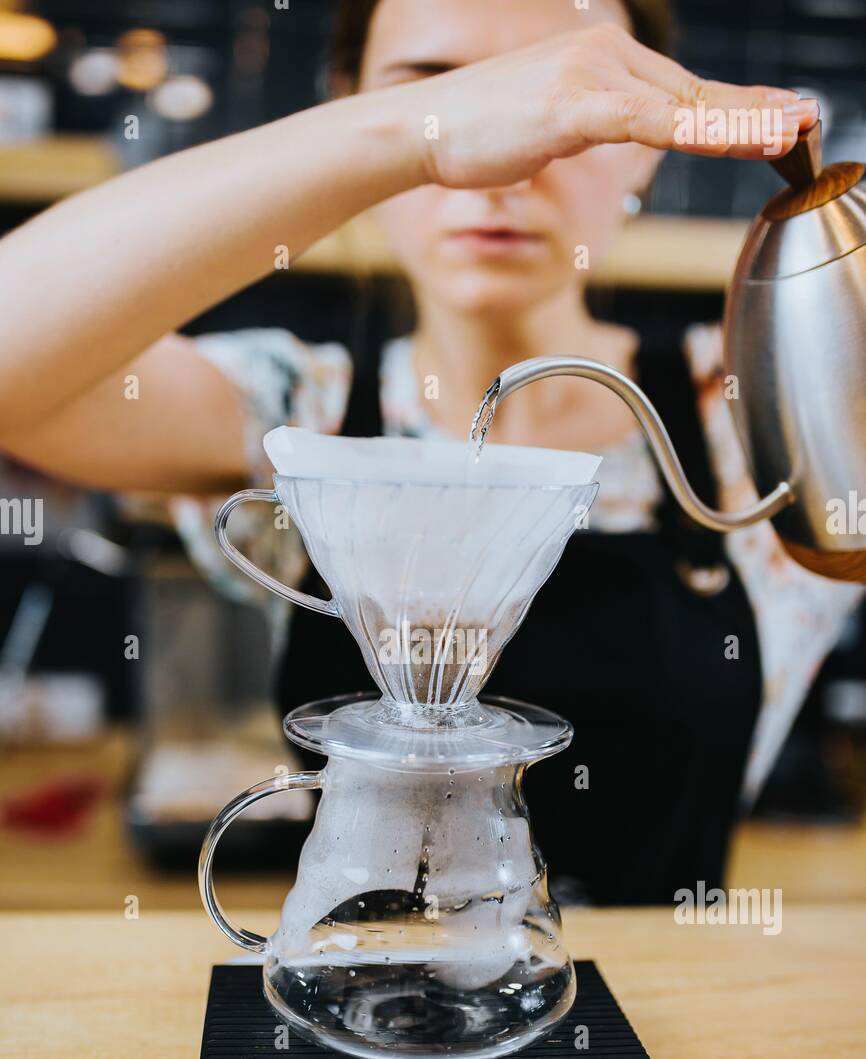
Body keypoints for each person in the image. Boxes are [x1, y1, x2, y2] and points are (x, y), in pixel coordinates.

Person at [0, 0, 858, 903]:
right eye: (437, 93)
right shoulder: (306, 426)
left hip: (676, 1020)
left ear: (649, 139)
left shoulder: (772, 402)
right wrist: (406, 139)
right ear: (351, 113)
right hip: (384, 1013)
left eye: (574, 96)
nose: (508, 164)